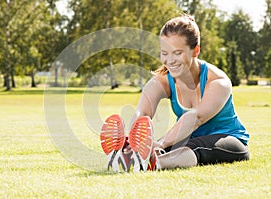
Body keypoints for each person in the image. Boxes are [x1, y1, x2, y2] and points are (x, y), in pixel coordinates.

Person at [100, 14, 249, 172]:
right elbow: (142, 111)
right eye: (165, 53)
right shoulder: (163, 81)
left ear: (195, 50)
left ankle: (154, 163)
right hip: (186, 140)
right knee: (168, 146)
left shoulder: (218, 81)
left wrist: (162, 143)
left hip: (229, 140)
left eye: (177, 53)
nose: (170, 60)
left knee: (191, 146)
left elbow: (195, 118)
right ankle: (131, 157)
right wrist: (133, 140)